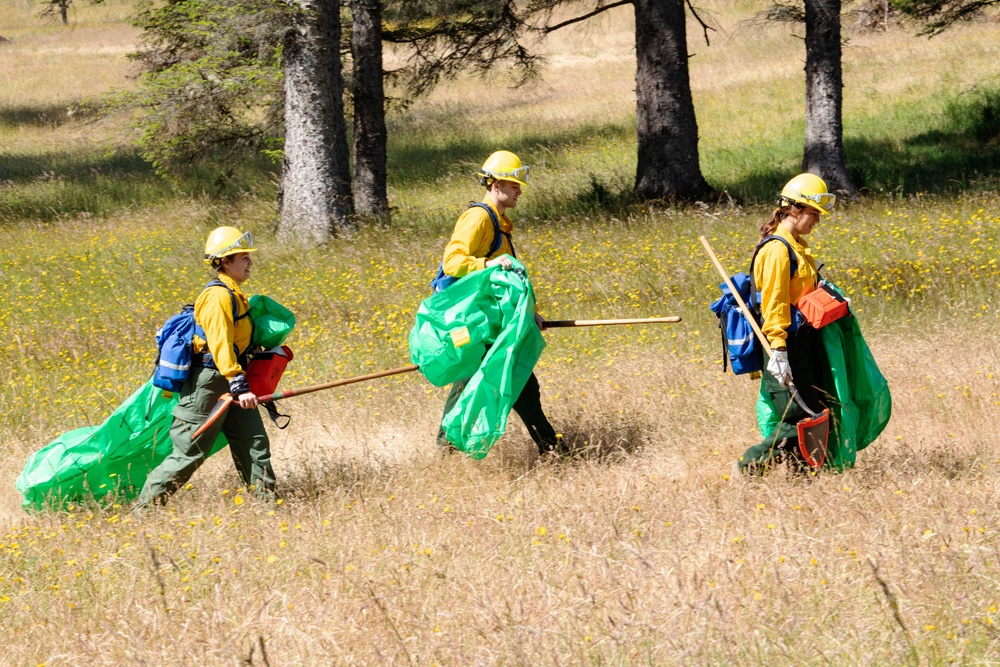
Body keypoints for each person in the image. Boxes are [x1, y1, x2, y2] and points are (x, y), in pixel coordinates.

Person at [137, 226, 276, 505]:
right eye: (243, 257)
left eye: (248, 256)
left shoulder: (235, 295)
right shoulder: (218, 297)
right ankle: (143, 511)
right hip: (210, 383)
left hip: (231, 377)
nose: (250, 262)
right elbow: (220, 343)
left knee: (253, 443)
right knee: (190, 452)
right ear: (225, 262)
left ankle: (270, 507)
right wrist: (238, 382)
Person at [436, 150, 561, 456]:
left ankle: (552, 450)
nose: (519, 190)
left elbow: (507, 283)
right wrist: (488, 266)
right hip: (471, 322)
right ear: (494, 185)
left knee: (516, 384)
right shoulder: (478, 217)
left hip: (490, 320)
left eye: (518, 184)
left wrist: (530, 313)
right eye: (513, 184)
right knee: (475, 381)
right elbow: (453, 262)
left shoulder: (500, 222)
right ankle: (446, 449)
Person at [736, 173, 837, 474]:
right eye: (813, 212)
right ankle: (749, 465)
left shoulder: (797, 246)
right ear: (793, 208)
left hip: (805, 343)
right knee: (796, 417)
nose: (817, 220)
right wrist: (778, 351)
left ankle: (802, 476)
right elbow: (775, 304)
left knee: (815, 411)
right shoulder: (778, 250)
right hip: (785, 345)